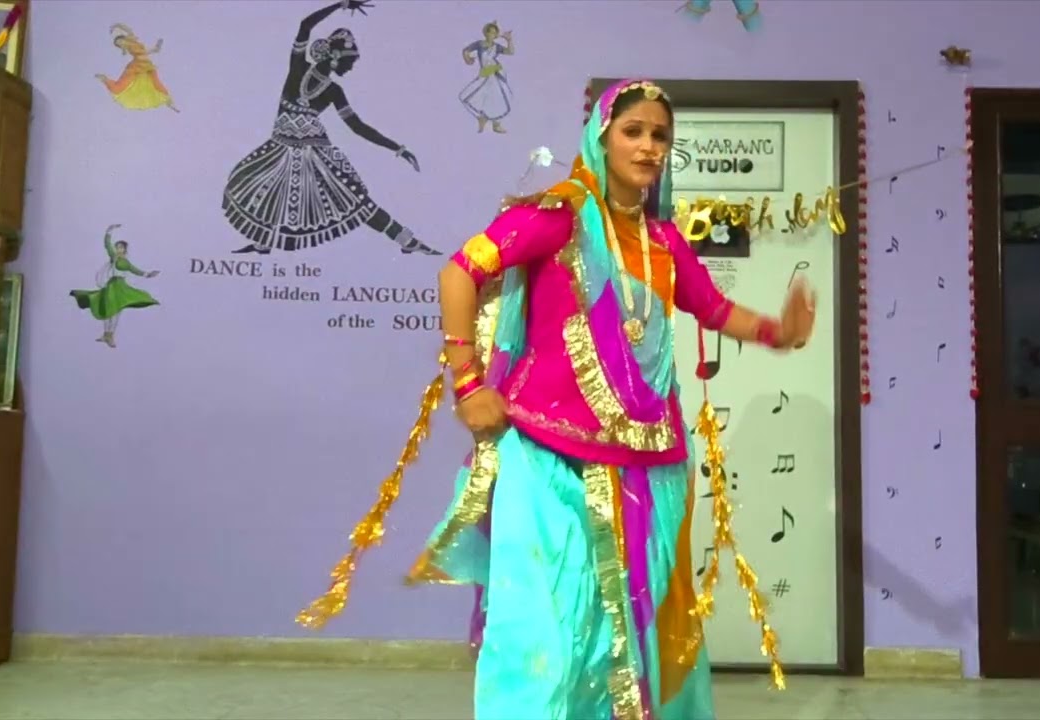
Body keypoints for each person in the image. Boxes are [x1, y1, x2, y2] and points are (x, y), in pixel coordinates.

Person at [299, 79, 816, 719]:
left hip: (646, 465)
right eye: (633, 131)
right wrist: (468, 384)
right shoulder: (557, 217)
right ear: (601, 138)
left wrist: (778, 332)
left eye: (660, 136)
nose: (648, 146)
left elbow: (711, 308)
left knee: (637, 632)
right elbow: (459, 272)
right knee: (544, 632)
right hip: (546, 460)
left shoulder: (663, 241)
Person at [221, 0, 439, 256]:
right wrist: (340, 5)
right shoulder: (298, 68)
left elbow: (357, 126)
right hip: (282, 146)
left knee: (353, 198)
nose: (352, 67)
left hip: (315, 153)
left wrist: (397, 148)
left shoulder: (334, 90)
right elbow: (305, 25)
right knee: (262, 189)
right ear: (335, 57)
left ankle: (406, 240)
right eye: (351, 61)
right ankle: (263, 243)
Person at [69, 224, 161, 348]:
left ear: (125, 250)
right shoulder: (114, 257)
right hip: (111, 286)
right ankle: (106, 335)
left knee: (115, 311)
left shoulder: (126, 262)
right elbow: (107, 244)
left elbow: (136, 270)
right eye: (117, 247)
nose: (118, 249)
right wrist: (109, 230)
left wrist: (148, 274)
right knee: (107, 309)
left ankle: (110, 335)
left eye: (121, 247)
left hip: (120, 287)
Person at [96, 24, 179, 113]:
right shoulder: (128, 48)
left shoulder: (131, 39)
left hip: (147, 66)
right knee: (120, 86)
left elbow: (128, 30)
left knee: (157, 84)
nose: (121, 43)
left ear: (123, 38)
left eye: (120, 41)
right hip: (136, 66)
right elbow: (142, 53)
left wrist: (116, 25)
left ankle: (169, 101)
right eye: (119, 44)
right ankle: (105, 79)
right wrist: (155, 49)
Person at [459, 22, 515, 134]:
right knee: (472, 95)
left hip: (496, 72)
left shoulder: (496, 47)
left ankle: (496, 124)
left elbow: (510, 52)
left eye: (494, 33)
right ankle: (482, 118)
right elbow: (466, 50)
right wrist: (468, 59)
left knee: (498, 97)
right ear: (486, 33)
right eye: (490, 32)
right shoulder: (479, 44)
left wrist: (509, 40)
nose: (492, 35)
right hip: (485, 73)